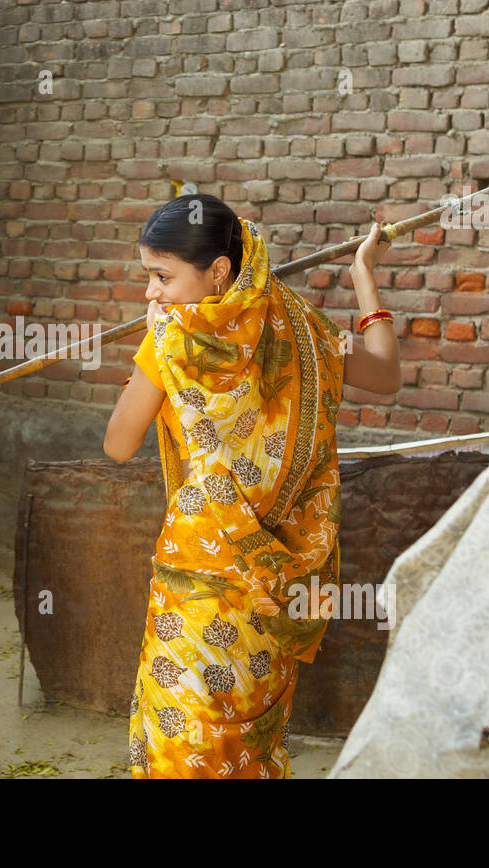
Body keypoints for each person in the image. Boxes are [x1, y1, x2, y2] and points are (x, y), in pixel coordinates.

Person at [104, 195, 400, 779]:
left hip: (200, 585)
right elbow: (387, 375)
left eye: (163, 277)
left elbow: (117, 444)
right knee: (248, 749)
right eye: (148, 278)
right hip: (281, 591)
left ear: (217, 271)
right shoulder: (302, 325)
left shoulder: (173, 344)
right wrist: (363, 273)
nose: (151, 294)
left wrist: (150, 350)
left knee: (179, 754)